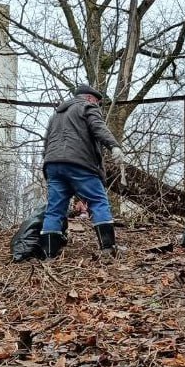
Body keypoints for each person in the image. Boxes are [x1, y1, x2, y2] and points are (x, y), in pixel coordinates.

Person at [40, 84, 124, 258]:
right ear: (90, 98)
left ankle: (49, 255)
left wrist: (50, 161)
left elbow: (46, 142)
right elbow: (98, 128)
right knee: (98, 201)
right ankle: (108, 248)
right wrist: (114, 146)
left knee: (54, 209)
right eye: (97, 102)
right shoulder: (87, 107)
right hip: (78, 163)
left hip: (53, 164)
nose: (98, 105)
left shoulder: (56, 114)